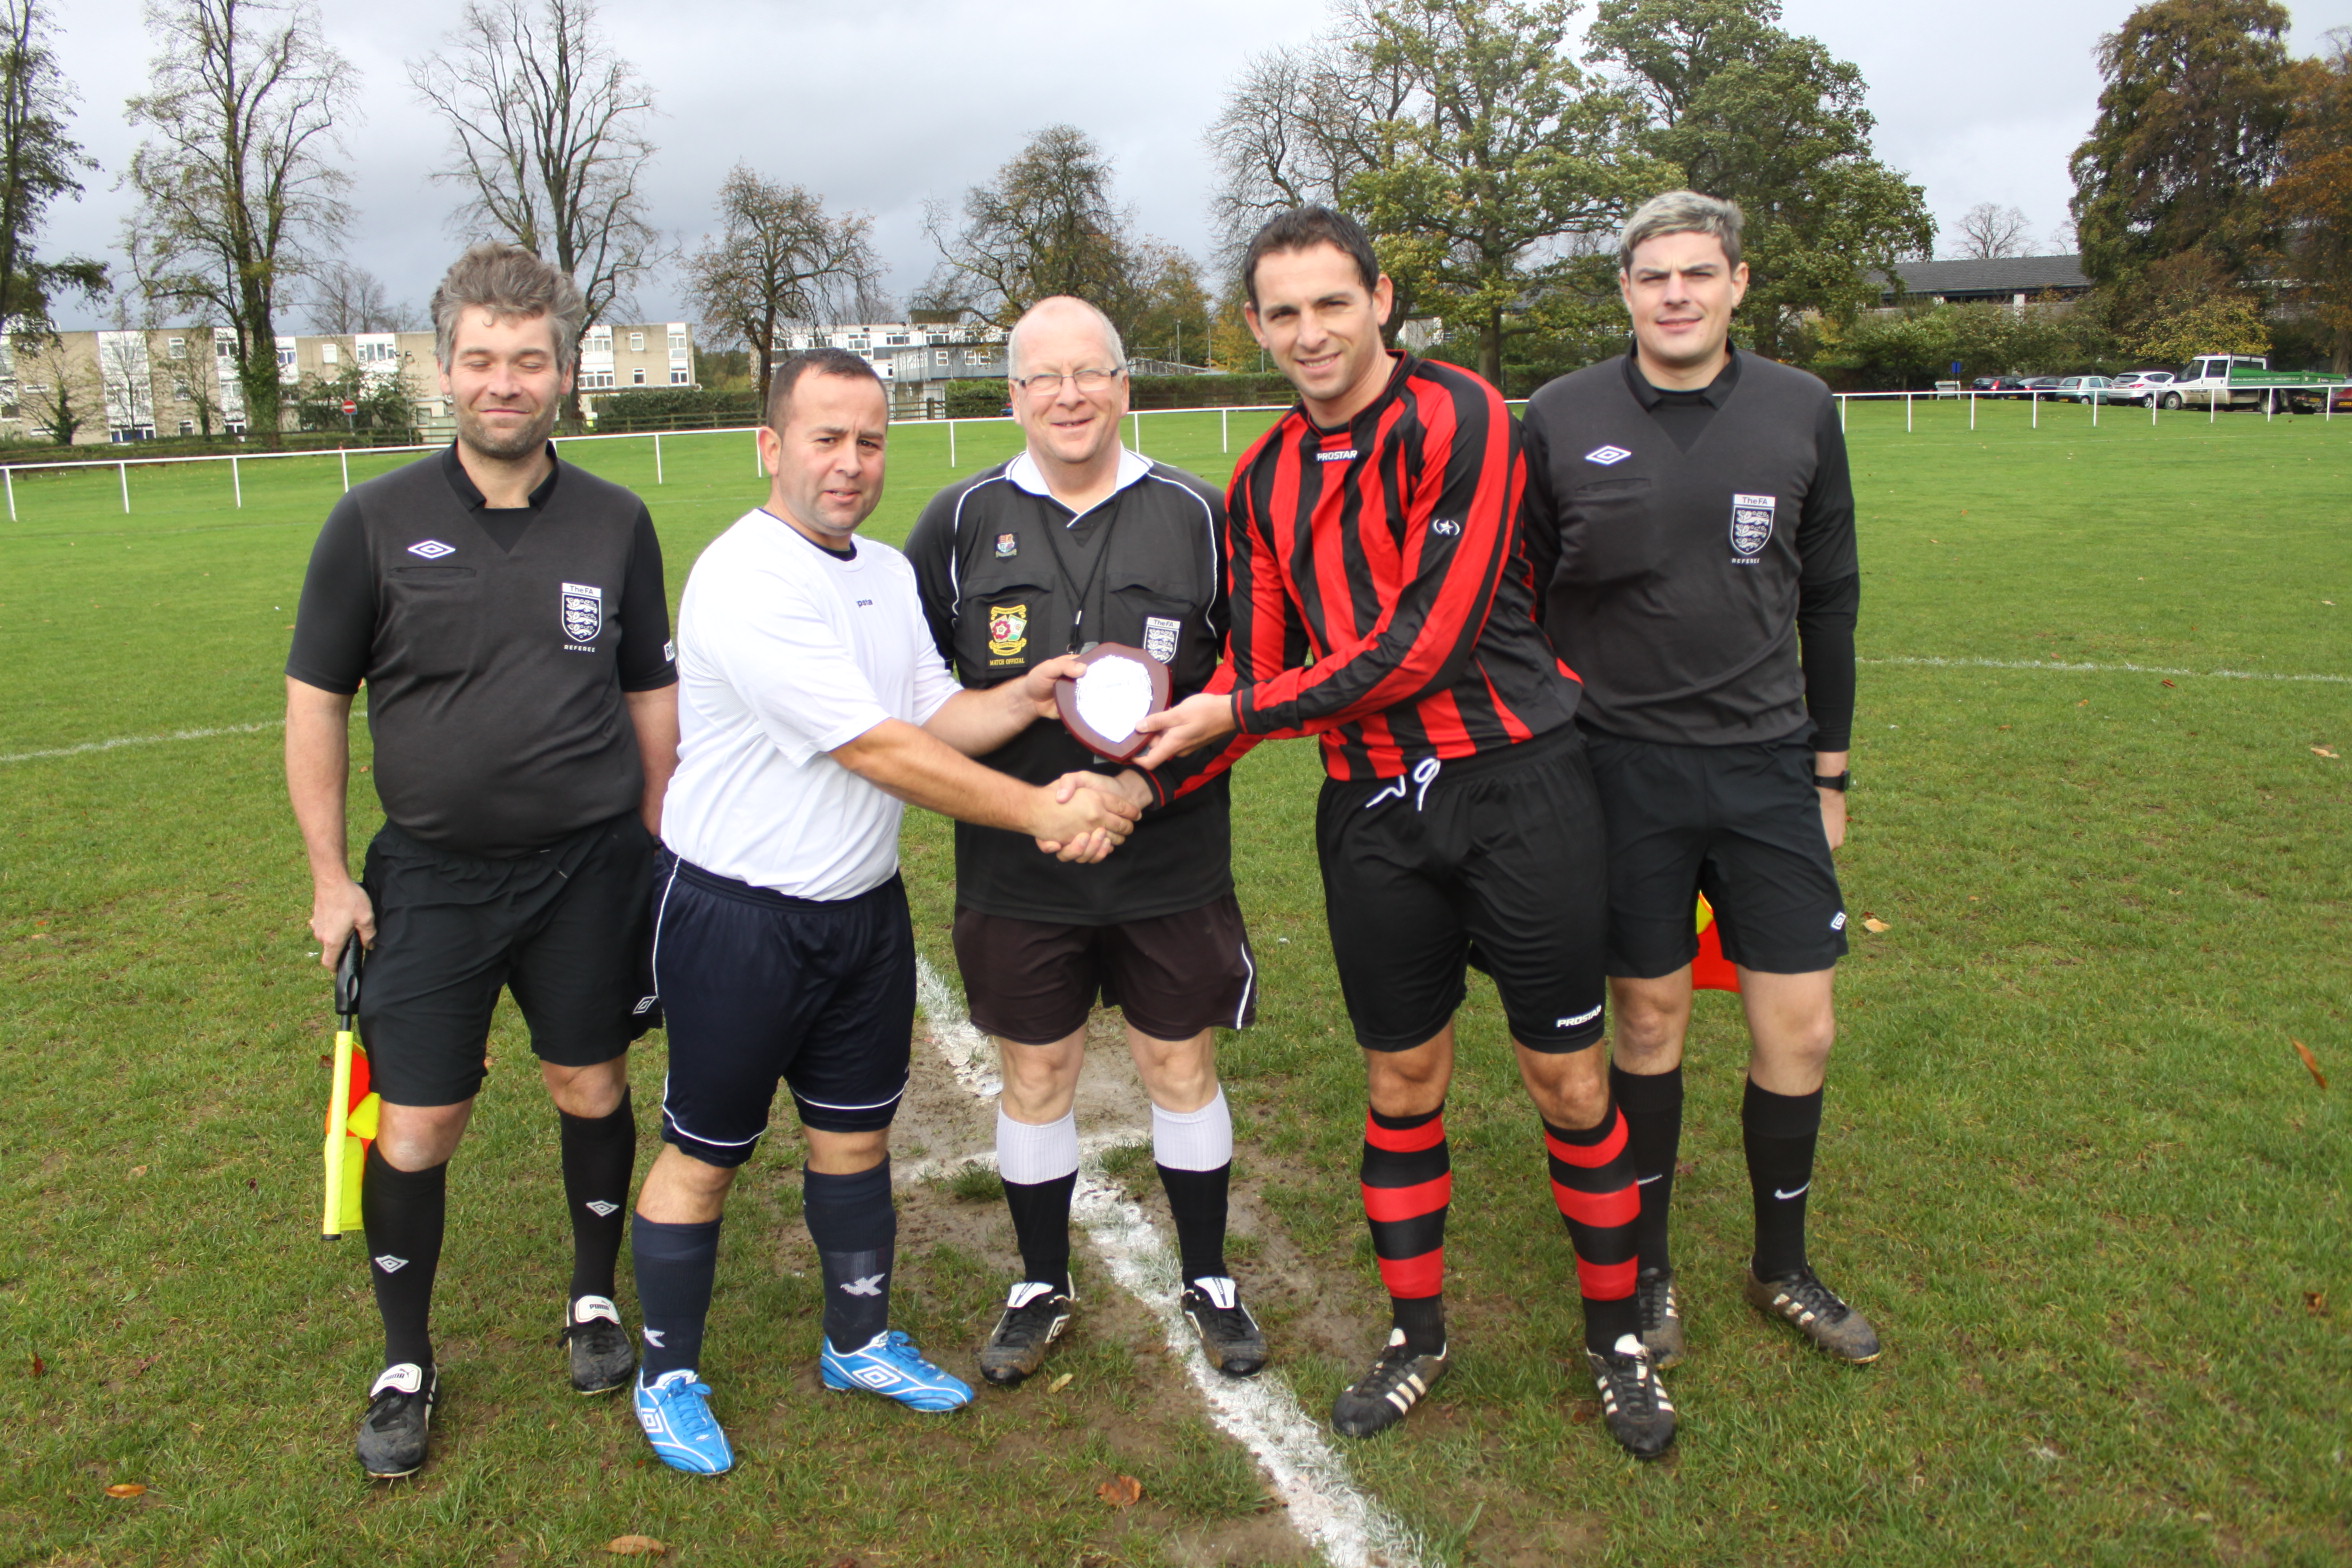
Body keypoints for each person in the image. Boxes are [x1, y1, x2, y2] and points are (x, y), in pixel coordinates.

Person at [1134, 208, 1675, 1459]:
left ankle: (1617, 1340)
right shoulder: (1261, 480)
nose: (1311, 332)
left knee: (1569, 1079)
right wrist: (1138, 783)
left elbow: (1420, 644)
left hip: (1519, 790)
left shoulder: (1467, 416)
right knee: (1401, 1080)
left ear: (1382, 298)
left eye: (1333, 303)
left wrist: (1238, 705)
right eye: (1283, 312)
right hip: (1373, 813)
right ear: (1258, 326)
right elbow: (1264, 672)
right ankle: (1417, 1333)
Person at [625, 348, 1141, 1476]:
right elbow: (875, 748)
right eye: (826, 437)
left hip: (862, 915)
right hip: (739, 918)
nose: (851, 461)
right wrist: (1042, 812)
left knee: (854, 1137)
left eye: (869, 439)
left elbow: (924, 714)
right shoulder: (745, 576)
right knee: (702, 1154)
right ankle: (667, 1371)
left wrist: (1024, 693)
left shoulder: (882, 572)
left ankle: (857, 1337)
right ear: (772, 446)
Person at [285, 242, 677, 1478]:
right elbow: (313, 703)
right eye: (479, 358)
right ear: (445, 368)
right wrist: (331, 879)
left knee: (589, 1084)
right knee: (418, 1121)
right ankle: (406, 1356)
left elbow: (649, 694)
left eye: (529, 358)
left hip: (588, 870)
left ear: (565, 371)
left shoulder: (617, 520)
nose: (503, 380)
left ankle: (592, 1296)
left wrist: (661, 844)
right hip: (434, 878)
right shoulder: (373, 520)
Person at [1517, 190, 1880, 1378]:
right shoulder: (1561, 416)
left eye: (1698, 273)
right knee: (1651, 1018)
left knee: (1803, 1027)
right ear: (1624, 290)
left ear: (1736, 284)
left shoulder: (1802, 409)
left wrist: (1830, 765)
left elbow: (1829, 597)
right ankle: (1650, 1262)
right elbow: (1514, 599)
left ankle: (1782, 1262)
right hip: (1617, 768)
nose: (1676, 292)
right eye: (1653, 275)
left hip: (1771, 763)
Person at [903, 296, 1268, 1390]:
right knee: (1038, 1069)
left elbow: (1250, 684)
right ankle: (1039, 1279)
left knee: (1176, 1060)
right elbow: (917, 696)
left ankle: (1207, 1273)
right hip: (1018, 864)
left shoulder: (1203, 513)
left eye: (1091, 372)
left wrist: (1133, 789)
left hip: (1170, 855)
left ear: (1124, 385)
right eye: (1043, 377)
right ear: (1011, 396)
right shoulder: (956, 520)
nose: (1069, 394)